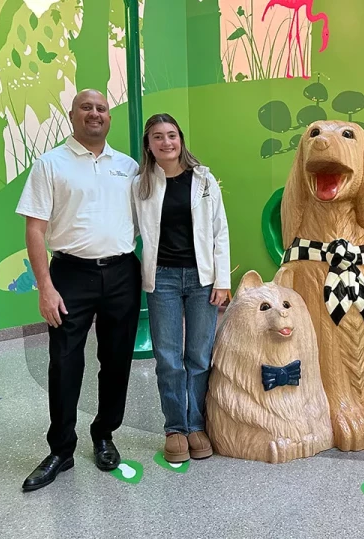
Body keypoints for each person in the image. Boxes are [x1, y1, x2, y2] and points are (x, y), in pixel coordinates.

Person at [16, 89, 142, 491]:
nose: (94, 113)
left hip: (122, 272)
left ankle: (104, 434)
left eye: (101, 108)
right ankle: (61, 450)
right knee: (65, 362)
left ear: (109, 117)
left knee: (118, 359)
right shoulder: (50, 163)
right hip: (70, 274)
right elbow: (34, 229)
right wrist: (45, 288)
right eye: (86, 107)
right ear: (72, 115)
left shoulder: (129, 166)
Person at [132, 113, 230, 463]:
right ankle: (175, 427)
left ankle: (195, 425)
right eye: (157, 137)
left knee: (199, 357)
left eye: (171, 135)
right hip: (163, 280)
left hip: (202, 279)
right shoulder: (141, 183)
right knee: (169, 358)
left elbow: (220, 231)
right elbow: (128, 229)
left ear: (181, 139)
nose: (166, 142)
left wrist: (222, 281)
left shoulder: (203, 179)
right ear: (149, 145)